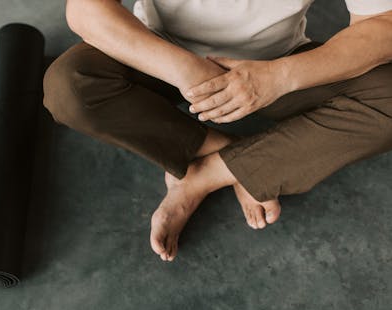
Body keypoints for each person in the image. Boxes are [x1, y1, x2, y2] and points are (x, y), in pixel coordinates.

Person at [43, 0, 392, 262]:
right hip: (158, 51)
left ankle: (208, 173)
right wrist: (189, 71)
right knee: (68, 85)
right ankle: (234, 157)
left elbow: (382, 25)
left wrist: (279, 77)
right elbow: (86, 10)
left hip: (272, 62)